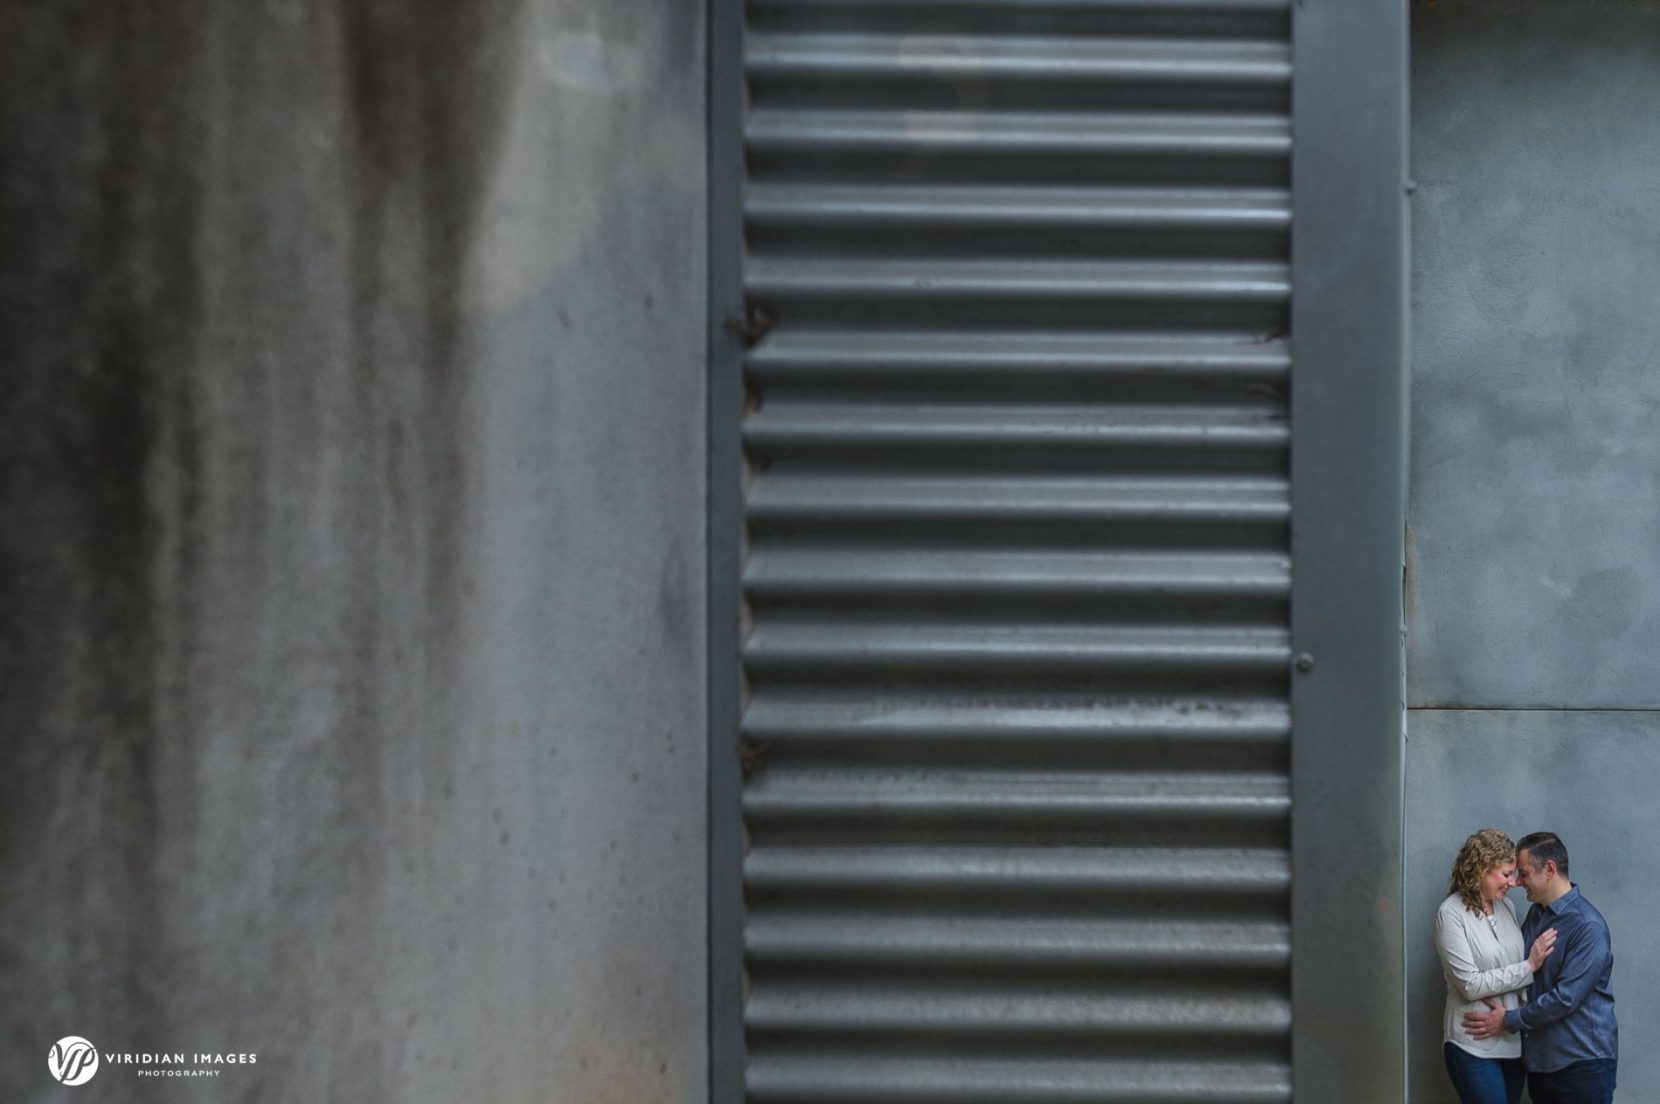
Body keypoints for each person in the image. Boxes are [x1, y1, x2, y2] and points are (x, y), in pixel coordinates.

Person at [1464, 832, 1618, 1104]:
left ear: (1549, 870)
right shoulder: (1537, 914)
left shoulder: (1587, 926)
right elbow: (1520, 969)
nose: (1517, 882)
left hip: (1582, 1067)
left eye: (1523, 874)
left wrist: (1507, 1020)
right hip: (1541, 1066)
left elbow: (1566, 998)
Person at [1435, 828, 1558, 1104]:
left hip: (1512, 1043)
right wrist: (1528, 967)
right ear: (1481, 870)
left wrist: (1513, 1016)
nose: (1513, 882)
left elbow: (1507, 977)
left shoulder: (1508, 909)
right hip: (1471, 1044)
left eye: (1514, 874)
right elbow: (1470, 985)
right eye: (1505, 874)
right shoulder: (1451, 914)